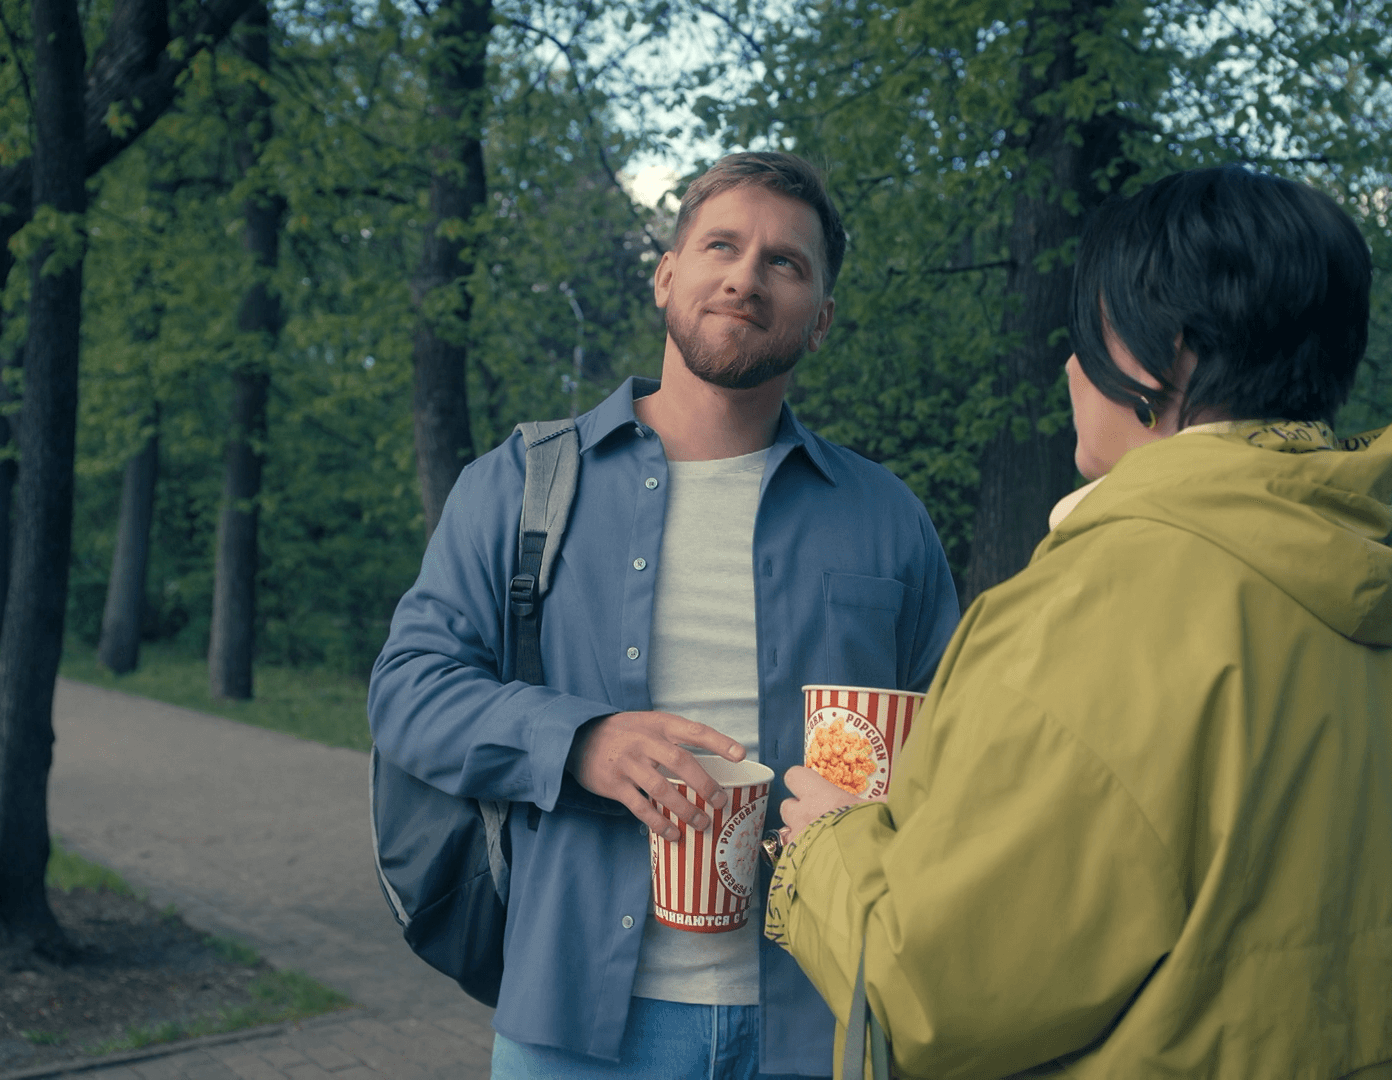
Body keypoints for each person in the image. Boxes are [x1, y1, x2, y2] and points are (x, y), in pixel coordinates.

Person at [767, 165, 1392, 1079]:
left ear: (1163, 356)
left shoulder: (1091, 613)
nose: (1067, 368)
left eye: (1085, 334)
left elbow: (933, 989)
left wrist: (820, 845)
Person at [369, 151, 961, 1080]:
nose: (745, 277)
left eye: (785, 263)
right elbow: (406, 691)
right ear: (666, 276)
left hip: (822, 1020)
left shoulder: (888, 518)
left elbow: (956, 747)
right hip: (576, 1023)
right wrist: (578, 742)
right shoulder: (522, 486)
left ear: (821, 321)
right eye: (722, 245)